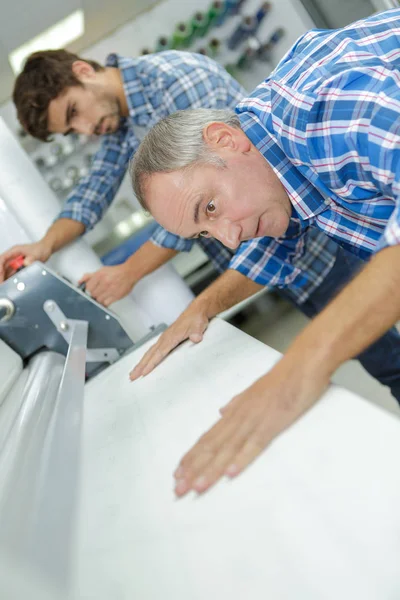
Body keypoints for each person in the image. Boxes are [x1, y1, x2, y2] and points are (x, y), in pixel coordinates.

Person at [4, 46, 400, 399]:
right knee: (371, 353)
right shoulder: (122, 126)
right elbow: (92, 191)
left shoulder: (174, 80)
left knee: (382, 354)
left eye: (74, 112)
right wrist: (44, 246)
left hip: (309, 242)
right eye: (71, 130)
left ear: (83, 72)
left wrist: (128, 272)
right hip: (269, 256)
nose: (85, 130)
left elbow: (191, 205)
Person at [130, 8, 400, 497]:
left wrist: (299, 370)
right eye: (206, 233)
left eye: (209, 207)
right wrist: (201, 308)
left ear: (225, 140)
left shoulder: (323, 109)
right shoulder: (267, 159)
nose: (229, 238)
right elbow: (274, 250)